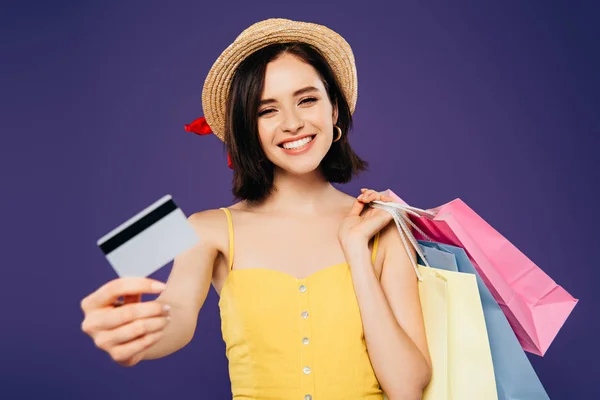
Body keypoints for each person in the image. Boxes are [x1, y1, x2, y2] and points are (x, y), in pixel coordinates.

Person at [80, 18, 432, 400]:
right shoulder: (207, 228)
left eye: (307, 99)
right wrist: (137, 333)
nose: (293, 123)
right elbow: (177, 311)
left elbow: (408, 387)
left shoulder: (382, 225)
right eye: (267, 110)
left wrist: (357, 255)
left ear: (334, 111)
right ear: (248, 129)